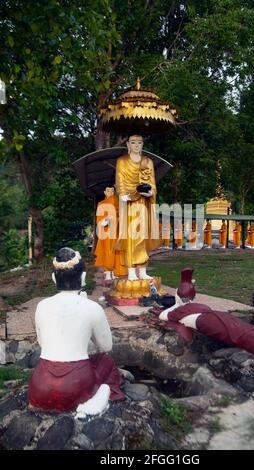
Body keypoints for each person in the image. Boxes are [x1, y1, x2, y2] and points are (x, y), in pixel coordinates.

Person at [28, 247, 125, 415]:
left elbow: (43, 343)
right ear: (83, 277)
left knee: (95, 362)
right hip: (76, 385)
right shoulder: (92, 308)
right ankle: (98, 399)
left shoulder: (41, 306)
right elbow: (106, 346)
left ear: (53, 278)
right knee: (106, 361)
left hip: (39, 386)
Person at [158, 268, 254, 372]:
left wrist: (176, 304)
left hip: (210, 322)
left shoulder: (180, 310)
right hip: (221, 317)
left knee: (243, 336)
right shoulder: (200, 305)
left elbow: (162, 315)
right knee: (249, 331)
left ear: (178, 298)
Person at [115, 135, 159, 281]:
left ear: (142, 145)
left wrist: (149, 191)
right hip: (129, 203)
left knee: (142, 236)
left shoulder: (148, 161)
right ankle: (131, 271)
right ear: (128, 144)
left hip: (143, 203)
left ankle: (142, 269)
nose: (136, 145)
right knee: (131, 237)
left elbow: (152, 183)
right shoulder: (122, 161)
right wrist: (123, 194)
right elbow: (120, 180)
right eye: (133, 143)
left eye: (139, 143)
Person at [94, 185, 127, 279]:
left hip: (116, 231)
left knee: (116, 252)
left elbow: (121, 215)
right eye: (108, 191)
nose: (110, 193)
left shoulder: (118, 204)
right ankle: (108, 273)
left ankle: (115, 272)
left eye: (112, 191)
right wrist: (103, 222)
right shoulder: (101, 203)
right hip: (106, 231)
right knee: (108, 251)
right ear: (104, 192)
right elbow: (99, 218)